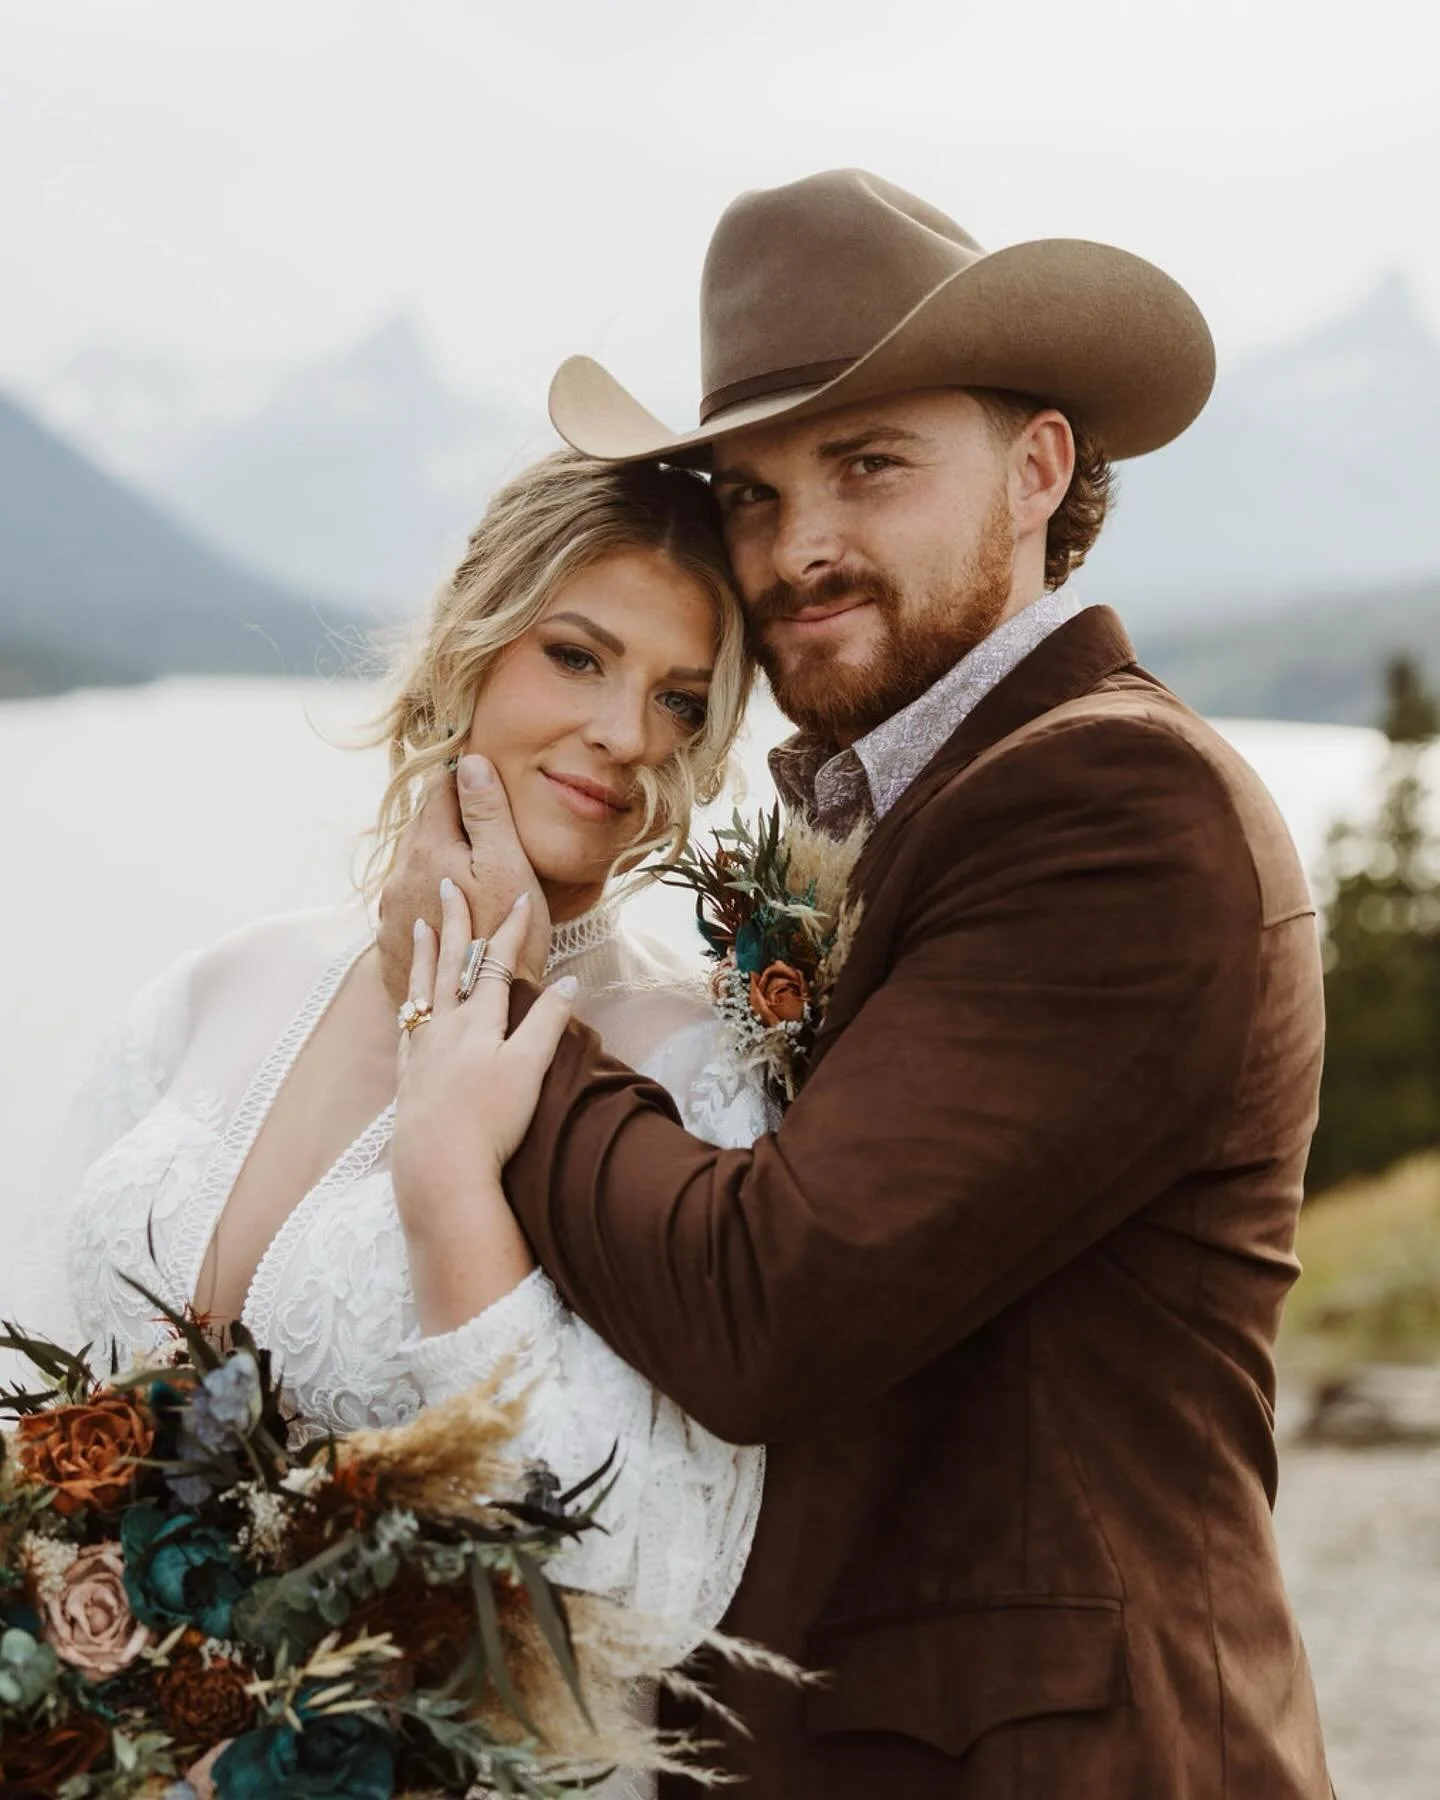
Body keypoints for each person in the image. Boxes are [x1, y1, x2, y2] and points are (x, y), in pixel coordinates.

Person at [380, 171, 1334, 1797]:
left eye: (869, 468)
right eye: (751, 494)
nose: (797, 547)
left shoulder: (1114, 809)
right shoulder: (927, 809)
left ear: (1039, 470)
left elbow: (768, 1304)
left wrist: (515, 1010)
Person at [20, 451, 774, 1799]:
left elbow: (650, 1582)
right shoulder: (219, 984)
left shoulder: (690, 1073)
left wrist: (450, 1187)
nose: (628, 733)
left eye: (680, 699)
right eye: (577, 656)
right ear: (468, 647)